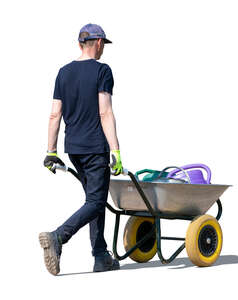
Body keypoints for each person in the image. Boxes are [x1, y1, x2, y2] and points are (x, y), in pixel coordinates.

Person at [39, 23, 123, 275]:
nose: (103, 50)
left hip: (73, 148)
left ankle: (100, 256)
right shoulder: (102, 71)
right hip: (95, 147)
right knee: (97, 202)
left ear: (79, 44)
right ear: (98, 44)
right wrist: (116, 150)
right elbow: (104, 111)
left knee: (93, 201)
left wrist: (51, 150)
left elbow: (55, 114)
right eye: (103, 46)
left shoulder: (63, 73)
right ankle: (58, 237)